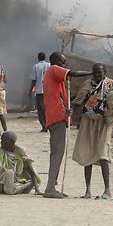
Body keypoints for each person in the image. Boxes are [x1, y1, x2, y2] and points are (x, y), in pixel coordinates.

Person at [72, 63, 113, 199]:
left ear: (105, 72)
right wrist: (72, 111)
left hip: (104, 123)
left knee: (103, 154)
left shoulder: (112, 84)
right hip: (88, 121)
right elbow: (79, 100)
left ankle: (107, 190)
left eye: (100, 72)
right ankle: (87, 191)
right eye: (95, 73)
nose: (98, 75)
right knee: (87, 153)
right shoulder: (88, 84)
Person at [42, 52, 93, 198]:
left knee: (57, 152)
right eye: (63, 63)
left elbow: (59, 97)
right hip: (56, 117)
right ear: (56, 61)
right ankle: (50, 187)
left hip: (58, 115)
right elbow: (73, 73)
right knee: (57, 153)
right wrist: (90, 72)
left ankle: (52, 185)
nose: (64, 66)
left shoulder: (54, 77)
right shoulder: (53, 69)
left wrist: (67, 108)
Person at [29, 52, 50, 132]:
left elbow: (34, 80)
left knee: (41, 110)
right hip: (48, 91)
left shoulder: (36, 66)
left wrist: (30, 90)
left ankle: (44, 126)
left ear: (38, 58)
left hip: (39, 91)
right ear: (45, 57)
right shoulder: (50, 65)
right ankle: (49, 125)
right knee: (47, 108)